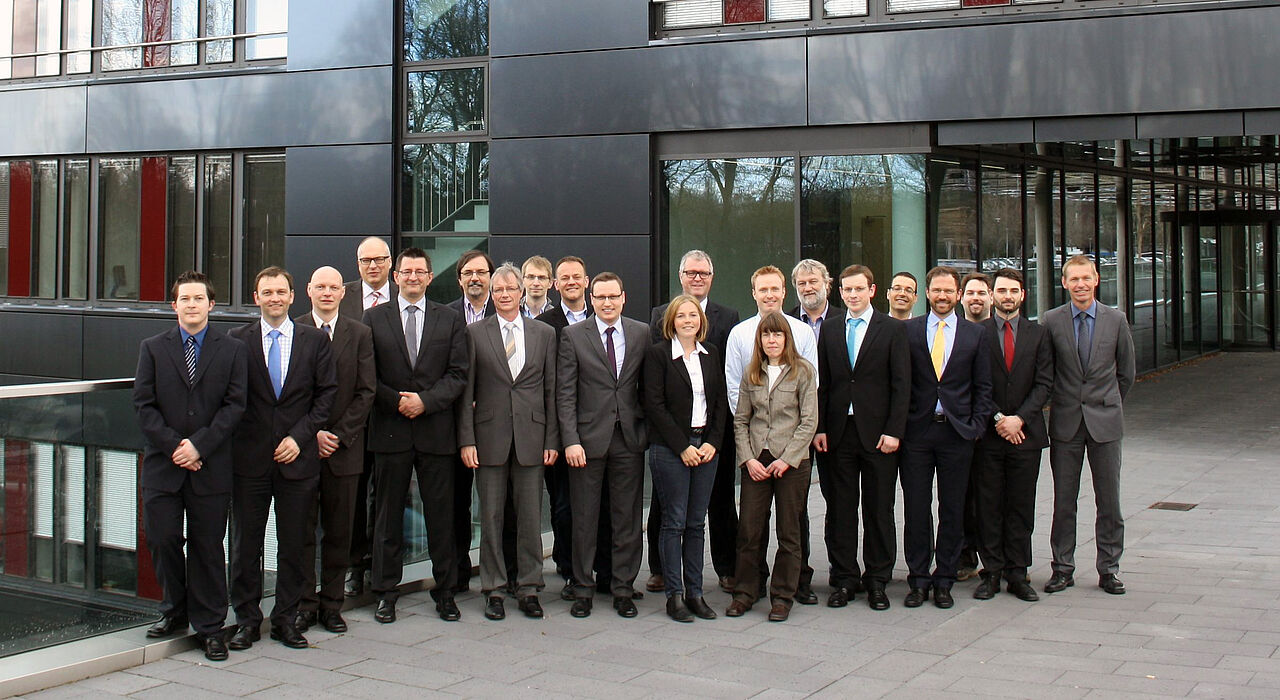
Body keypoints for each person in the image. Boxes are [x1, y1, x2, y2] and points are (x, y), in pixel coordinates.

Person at [134, 271, 247, 662]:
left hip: (211, 465)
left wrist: (198, 445)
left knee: (208, 548)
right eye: (185, 299)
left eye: (200, 298)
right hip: (164, 467)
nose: (192, 305)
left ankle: (211, 627)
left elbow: (235, 406)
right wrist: (175, 447)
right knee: (163, 539)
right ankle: (174, 611)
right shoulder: (152, 348)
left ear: (211, 305)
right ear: (174, 305)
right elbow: (143, 406)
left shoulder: (231, 350)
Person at [227, 267, 337, 651]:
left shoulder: (314, 341)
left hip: (298, 459)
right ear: (255, 297)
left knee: (294, 545)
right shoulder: (236, 341)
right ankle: (245, 621)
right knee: (245, 545)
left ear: (293, 296)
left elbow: (326, 398)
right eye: (266, 292)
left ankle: (286, 620)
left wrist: (299, 437)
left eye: (281, 291)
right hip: (250, 462)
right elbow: (231, 400)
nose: (274, 298)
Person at [364, 248, 469, 623]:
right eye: (405, 271)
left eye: (419, 271)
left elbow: (458, 374)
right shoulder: (373, 318)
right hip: (390, 432)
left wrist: (424, 402)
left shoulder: (450, 319)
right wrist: (398, 403)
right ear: (396, 277)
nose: (412, 277)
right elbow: (367, 376)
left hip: (435, 431)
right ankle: (385, 593)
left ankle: (446, 592)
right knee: (387, 516)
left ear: (429, 276)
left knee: (442, 516)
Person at [458, 264, 559, 621]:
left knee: (530, 518)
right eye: (497, 289)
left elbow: (551, 390)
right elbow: (466, 391)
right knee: (491, 517)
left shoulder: (544, 333)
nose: (503, 294)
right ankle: (494, 588)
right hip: (488, 439)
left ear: (521, 292)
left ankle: (529, 587)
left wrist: (552, 439)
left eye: (509, 288)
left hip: (532, 437)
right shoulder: (473, 332)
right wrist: (467, 440)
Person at [811, 265, 909, 612]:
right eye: (846, 291)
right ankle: (844, 578)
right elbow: (822, 384)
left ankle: (878, 579)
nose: (852, 296)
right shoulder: (831, 328)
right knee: (840, 509)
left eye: (858, 289)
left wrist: (894, 431)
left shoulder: (892, 330)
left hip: (879, 435)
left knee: (879, 509)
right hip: (838, 434)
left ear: (872, 290)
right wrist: (820, 427)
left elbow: (902, 385)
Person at [646, 250, 739, 595]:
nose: (697, 277)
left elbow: (725, 378)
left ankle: (726, 568)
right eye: (691, 272)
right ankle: (660, 569)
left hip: (713, 430)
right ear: (680, 276)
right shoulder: (660, 315)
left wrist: (716, 436)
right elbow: (655, 385)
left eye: (703, 272)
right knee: (666, 504)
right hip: (673, 434)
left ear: (711, 277)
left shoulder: (727, 316)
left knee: (719, 501)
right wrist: (678, 441)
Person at [557, 272, 649, 619]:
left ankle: (623, 588)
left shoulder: (641, 333)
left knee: (627, 518)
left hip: (628, 439)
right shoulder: (573, 336)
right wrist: (570, 441)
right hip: (586, 441)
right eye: (600, 297)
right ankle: (583, 588)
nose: (607, 303)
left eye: (613, 297)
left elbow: (647, 387)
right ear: (591, 298)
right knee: (585, 519)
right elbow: (565, 393)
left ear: (623, 297)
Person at [900, 266, 993, 610]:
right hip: (918, 433)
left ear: (957, 295)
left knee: (952, 509)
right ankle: (918, 578)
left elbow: (983, 386)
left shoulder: (975, 335)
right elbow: (901, 383)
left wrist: (976, 427)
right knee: (916, 508)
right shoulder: (908, 331)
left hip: (957, 433)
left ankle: (945, 578)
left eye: (948, 291)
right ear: (927, 293)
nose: (942, 296)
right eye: (936, 290)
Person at [1042, 255, 1135, 596]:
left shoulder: (1115, 320)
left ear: (1096, 279)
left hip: (1106, 423)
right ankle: (1062, 567)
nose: (1080, 284)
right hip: (1066, 423)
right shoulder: (1052, 321)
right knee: (1064, 501)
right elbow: (1046, 373)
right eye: (1073, 279)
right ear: (1064, 283)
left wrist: (1107, 403)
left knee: (1109, 501)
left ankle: (1109, 569)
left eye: (1086, 278)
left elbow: (1126, 373)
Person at [294, 267, 375, 634]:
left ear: (344, 292)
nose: (327, 293)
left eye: (333, 287)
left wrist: (338, 435)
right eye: (320, 287)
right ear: (308, 291)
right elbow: (289, 394)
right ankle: (304, 604)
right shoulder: (293, 329)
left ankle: (331, 605)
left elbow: (365, 392)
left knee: (340, 533)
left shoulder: (359, 333)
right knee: (303, 532)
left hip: (344, 451)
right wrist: (312, 435)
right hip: (303, 450)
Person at [724, 313, 818, 623]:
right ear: (760, 340)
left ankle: (782, 596)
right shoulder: (752, 373)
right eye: (766, 335)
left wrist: (787, 459)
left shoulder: (803, 372)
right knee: (750, 530)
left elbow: (808, 421)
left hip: (791, 462)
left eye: (778, 335)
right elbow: (740, 420)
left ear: (787, 339)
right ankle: (745, 593)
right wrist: (748, 458)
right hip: (756, 461)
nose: (772, 340)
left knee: (789, 532)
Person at [973, 268, 1052, 602]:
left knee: (1020, 506)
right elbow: (975, 383)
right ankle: (990, 571)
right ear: (992, 295)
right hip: (989, 436)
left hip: (1026, 436)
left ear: (1022, 295)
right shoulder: (977, 334)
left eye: (1013, 291)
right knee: (988, 505)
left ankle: (1018, 573)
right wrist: (999, 418)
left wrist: (1019, 419)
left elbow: (1045, 382)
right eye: (1001, 290)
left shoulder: (1039, 334)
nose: (1007, 296)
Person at [536, 255, 606, 602]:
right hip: (563, 431)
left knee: (602, 504)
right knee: (564, 506)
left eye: (576, 277)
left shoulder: (604, 317)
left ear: (587, 281)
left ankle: (602, 570)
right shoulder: (545, 324)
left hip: (602, 428)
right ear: (555, 284)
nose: (571, 282)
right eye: (564, 278)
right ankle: (568, 569)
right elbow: (547, 383)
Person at [338, 236, 395, 597]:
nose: (372, 266)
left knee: (387, 497)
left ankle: (381, 567)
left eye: (379, 259)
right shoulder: (342, 296)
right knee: (353, 496)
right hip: (351, 416)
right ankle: (353, 567)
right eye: (365, 260)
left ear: (391, 262)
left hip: (390, 414)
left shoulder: (405, 292)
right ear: (357, 264)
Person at [786, 258, 839, 605]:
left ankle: (840, 570)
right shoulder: (785, 322)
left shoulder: (844, 319)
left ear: (827, 284)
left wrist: (823, 425)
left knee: (838, 503)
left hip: (836, 430)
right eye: (801, 283)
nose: (808, 288)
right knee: (797, 508)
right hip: (795, 431)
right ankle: (799, 575)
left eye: (813, 281)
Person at [957, 272, 993, 581]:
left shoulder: (996, 332)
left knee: (992, 497)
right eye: (970, 293)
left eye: (982, 292)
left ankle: (997, 558)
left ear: (990, 297)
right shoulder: (954, 332)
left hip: (994, 429)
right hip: (960, 430)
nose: (976, 298)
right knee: (962, 496)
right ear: (961, 297)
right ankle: (964, 556)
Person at [449, 249, 496, 325]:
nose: (474, 278)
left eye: (481, 272)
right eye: (468, 273)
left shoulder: (501, 310)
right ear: (460, 280)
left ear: (491, 277)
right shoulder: (447, 314)